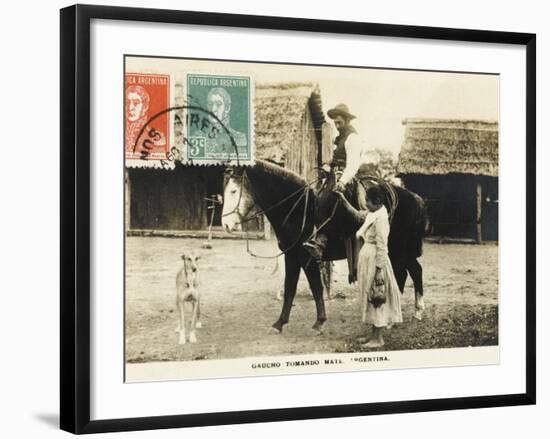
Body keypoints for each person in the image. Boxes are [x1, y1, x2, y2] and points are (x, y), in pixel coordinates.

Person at [303, 103, 369, 262]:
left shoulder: (353, 138)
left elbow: (353, 163)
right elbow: (336, 161)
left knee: (330, 199)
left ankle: (321, 241)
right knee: (314, 197)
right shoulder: (340, 139)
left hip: (346, 178)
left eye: (339, 122)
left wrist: (343, 181)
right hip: (334, 176)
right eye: (335, 123)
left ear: (347, 120)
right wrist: (327, 167)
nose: (337, 126)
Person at [353, 186, 402, 348]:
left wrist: (379, 270)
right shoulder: (373, 214)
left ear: (377, 202)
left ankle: (378, 338)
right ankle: (373, 334)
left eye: (368, 201)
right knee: (371, 295)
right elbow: (359, 214)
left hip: (375, 260)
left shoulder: (381, 219)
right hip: (368, 257)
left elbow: (382, 245)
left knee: (378, 296)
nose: (365, 203)